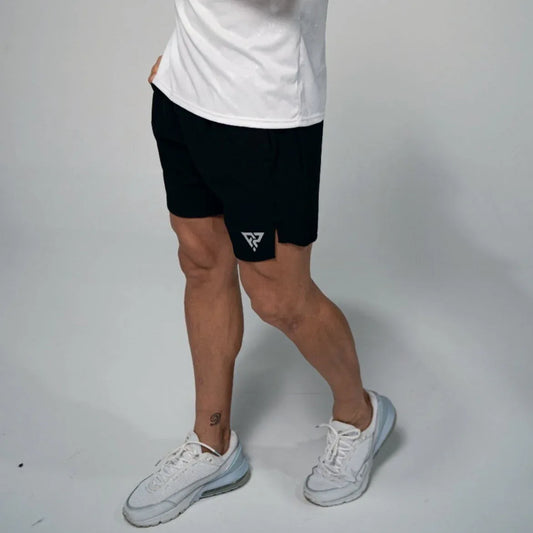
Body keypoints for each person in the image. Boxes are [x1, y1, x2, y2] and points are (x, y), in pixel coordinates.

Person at [122, 1, 396, 526]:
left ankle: (360, 415)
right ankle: (212, 443)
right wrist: (184, 63)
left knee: (278, 298)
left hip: (265, 111)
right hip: (184, 91)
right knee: (201, 264)